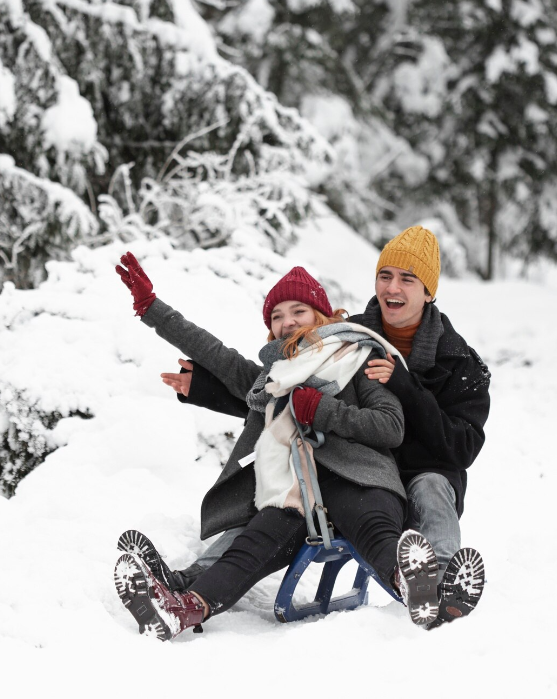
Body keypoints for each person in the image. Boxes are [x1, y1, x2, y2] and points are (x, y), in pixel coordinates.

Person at [156, 226, 491, 627]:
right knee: (271, 514)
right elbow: (288, 394)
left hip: (407, 473)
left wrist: (406, 386)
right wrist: (207, 389)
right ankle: (188, 588)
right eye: (385, 275)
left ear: (429, 291)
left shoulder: (459, 363)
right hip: (336, 467)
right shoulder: (351, 337)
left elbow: (461, 447)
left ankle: (438, 585)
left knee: (432, 486)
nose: (393, 287)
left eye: (407, 278)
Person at [113, 256, 442, 640]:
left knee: (374, 528)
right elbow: (212, 352)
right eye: (277, 317)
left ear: (322, 315)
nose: (287, 323)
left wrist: (323, 410)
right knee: (255, 542)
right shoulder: (272, 379)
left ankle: (416, 587)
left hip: (361, 478)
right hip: (298, 492)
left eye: (298, 311)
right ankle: (183, 608)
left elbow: (390, 426)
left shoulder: (357, 356)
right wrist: (152, 308)